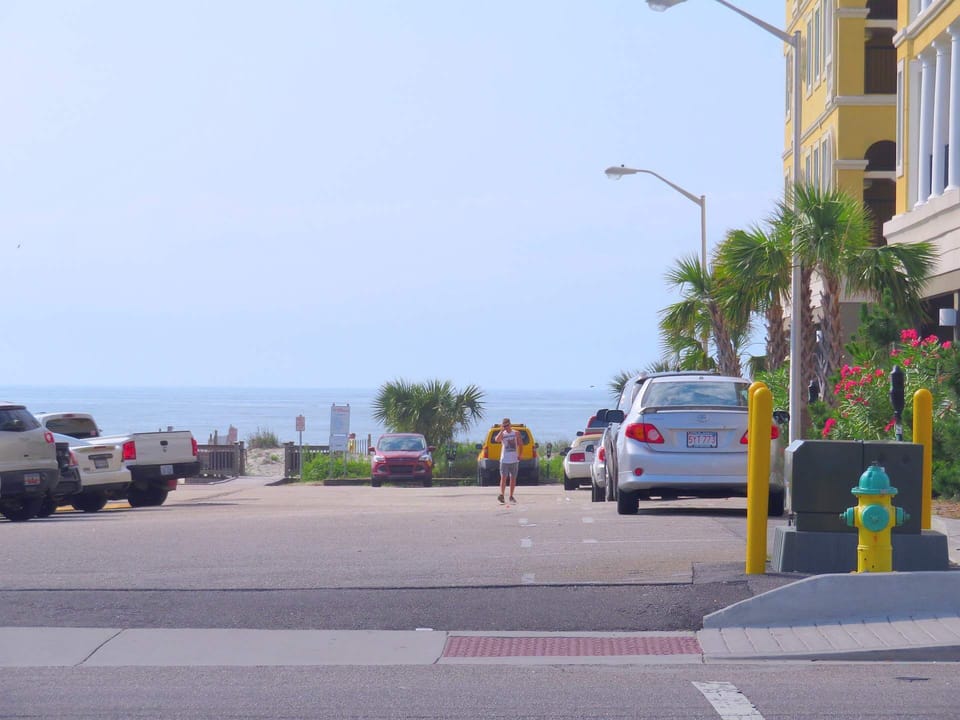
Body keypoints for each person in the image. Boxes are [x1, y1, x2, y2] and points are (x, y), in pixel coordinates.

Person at [495, 418, 523, 504]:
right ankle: (502, 495)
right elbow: (497, 440)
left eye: (507, 425)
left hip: (514, 459)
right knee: (503, 478)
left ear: (510, 424)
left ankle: (511, 495)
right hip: (504, 460)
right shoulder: (502, 434)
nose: (506, 427)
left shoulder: (516, 433)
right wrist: (501, 431)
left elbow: (520, 444)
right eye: (504, 426)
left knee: (513, 478)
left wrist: (520, 455)